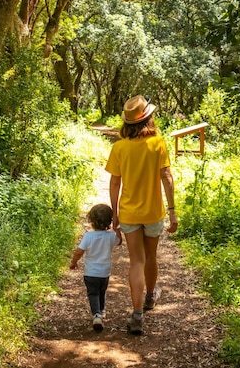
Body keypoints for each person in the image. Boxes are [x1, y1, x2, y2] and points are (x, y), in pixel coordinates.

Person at [105, 95, 178, 335]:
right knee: (151, 255)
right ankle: (149, 297)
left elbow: (115, 183)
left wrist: (114, 214)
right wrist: (173, 211)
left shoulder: (120, 147)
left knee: (136, 260)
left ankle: (137, 316)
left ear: (127, 123)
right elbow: (167, 178)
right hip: (154, 212)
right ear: (148, 118)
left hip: (129, 212)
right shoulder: (158, 143)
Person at [69, 203, 122, 332]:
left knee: (93, 293)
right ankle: (101, 311)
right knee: (102, 292)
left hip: (91, 273)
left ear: (91, 220)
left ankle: (97, 315)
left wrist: (74, 262)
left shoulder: (89, 236)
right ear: (109, 221)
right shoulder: (110, 236)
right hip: (105, 272)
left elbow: (79, 252)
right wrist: (117, 229)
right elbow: (119, 242)